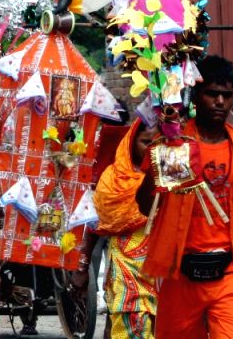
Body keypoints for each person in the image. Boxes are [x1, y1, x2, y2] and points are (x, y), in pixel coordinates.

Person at [141, 56, 233, 339]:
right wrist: (155, 167)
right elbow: (145, 207)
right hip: (181, 276)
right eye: (212, 94)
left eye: (227, 95)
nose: (220, 102)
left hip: (228, 275)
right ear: (197, 95)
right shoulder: (179, 144)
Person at [75, 121, 160, 339]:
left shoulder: (169, 177)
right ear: (131, 143)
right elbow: (94, 226)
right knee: (130, 325)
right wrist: (82, 267)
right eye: (145, 142)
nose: (151, 149)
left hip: (161, 268)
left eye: (156, 143)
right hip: (125, 266)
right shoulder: (112, 179)